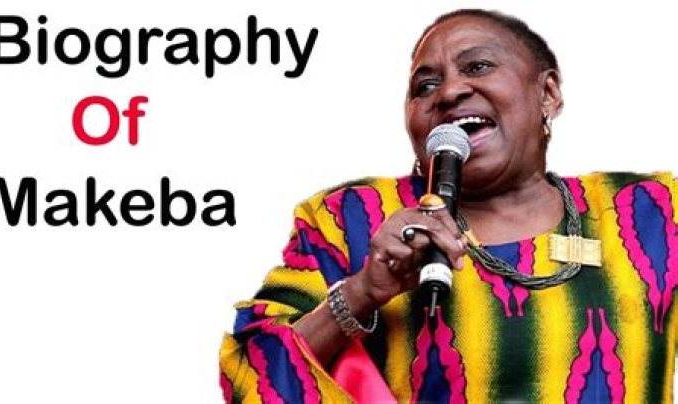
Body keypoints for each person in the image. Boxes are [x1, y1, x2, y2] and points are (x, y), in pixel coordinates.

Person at [219, 8, 678, 403]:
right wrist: (363, 292)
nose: (449, 92)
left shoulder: (649, 212)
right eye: (425, 86)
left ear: (548, 93)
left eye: (478, 66)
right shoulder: (352, 218)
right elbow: (251, 376)